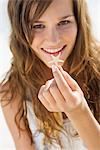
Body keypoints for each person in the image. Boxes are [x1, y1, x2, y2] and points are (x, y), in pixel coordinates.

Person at [0, 0, 100, 149]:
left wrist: (79, 112)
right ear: (19, 29)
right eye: (37, 26)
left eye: (64, 22)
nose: (54, 40)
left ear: (79, 20)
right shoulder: (12, 93)